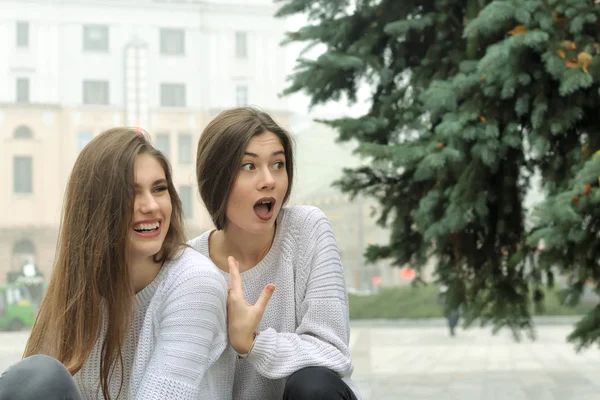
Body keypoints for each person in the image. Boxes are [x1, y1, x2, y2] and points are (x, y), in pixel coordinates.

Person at [0, 128, 232, 400]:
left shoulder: (195, 282)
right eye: (131, 193)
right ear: (96, 207)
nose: (151, 206)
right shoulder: (77, 290)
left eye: (159, 189)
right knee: (34, 377)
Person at [189, 107, 361, 400]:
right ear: (215, 179)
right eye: (248, 166)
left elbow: (333, 352)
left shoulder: (307, 230)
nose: (269, 180)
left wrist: (253, 344)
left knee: (314, 387)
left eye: (278, 164)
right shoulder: (190, 265)